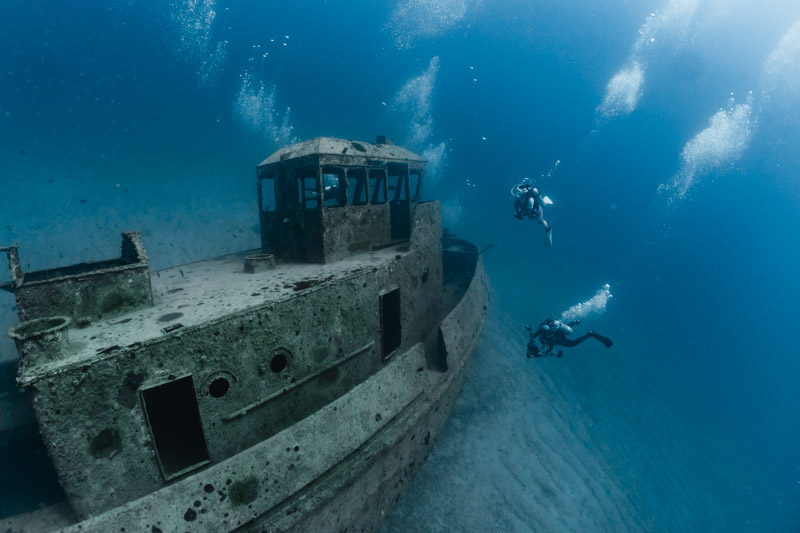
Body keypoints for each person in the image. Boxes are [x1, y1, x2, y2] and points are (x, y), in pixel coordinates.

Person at [525, 318, 613, 358]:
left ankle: (589, 334)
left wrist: (544, 353)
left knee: (573, 343)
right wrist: (531, 340)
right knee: (562, 332)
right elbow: (534, 335)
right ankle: (574, 322)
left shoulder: (549, 336)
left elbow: (551, 347)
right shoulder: (542, 329)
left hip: (559, 338)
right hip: (558, 332)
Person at [512, 182, 552, 247]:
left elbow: (530, 211)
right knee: (533, 218)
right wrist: (518, 213)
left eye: (520, 192)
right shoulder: (517, 200)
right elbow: (516, 205)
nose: (518, 194)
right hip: (529, 210)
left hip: (537, 211)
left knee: (540, 221)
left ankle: (548, 231)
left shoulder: (530, 200)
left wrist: (523, 214)